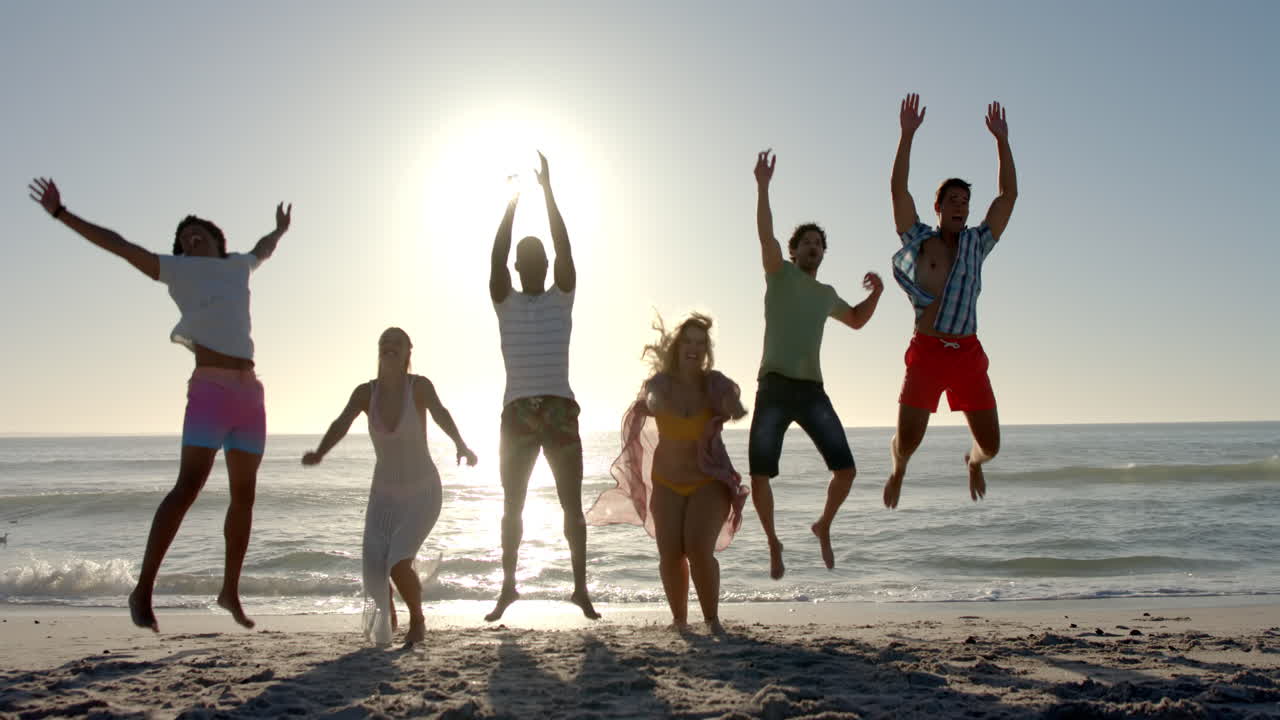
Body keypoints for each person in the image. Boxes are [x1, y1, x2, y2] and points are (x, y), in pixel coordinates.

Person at [28, 177, 290, 632]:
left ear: (216, 239)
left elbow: (263, 249)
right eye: (183, 238)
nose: (189, 239)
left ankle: (229, 591)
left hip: (250, 394)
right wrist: (61, 213)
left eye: (196, 233)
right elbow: (119, 245)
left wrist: (280, 230)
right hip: (210, 392)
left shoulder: (238, 265)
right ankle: (143, 589)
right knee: (187, 488)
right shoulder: (177, 270)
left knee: (244, 497)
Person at [750, 150, 884, 580]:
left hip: (810, 391)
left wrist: (877, 293)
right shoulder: (779, 274)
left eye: (818, 244)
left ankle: (823, 525)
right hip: (773, 387)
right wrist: (763, 186)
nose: (813, 246)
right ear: (793, 251)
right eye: (806, 242)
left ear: (823, 254)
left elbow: (857, 320)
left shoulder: (826, 294)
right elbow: (765, 236)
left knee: (846, 470)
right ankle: (773, 542)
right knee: (759, 474)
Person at [883, 94, 1018, 508]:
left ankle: (972, 462)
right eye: (953, 201)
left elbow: (1008, 196)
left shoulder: (978, 242)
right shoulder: (920, 240)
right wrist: (906, 135)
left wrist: (1002, 141)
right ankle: (898, 468)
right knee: (908, 440)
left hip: (967, 354)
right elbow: (898, 191)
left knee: (991, 446)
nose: (961, 206)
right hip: (927, 352)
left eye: (965, 202)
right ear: (938, 208)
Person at [302, 328, 476, 646]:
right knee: (374, 569)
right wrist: (320, 452)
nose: (389, 346)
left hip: (423, 492)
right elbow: (341, 423)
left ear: (408, 351)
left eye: (396, 342)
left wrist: (461, 445)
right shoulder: (365, 393)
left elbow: (440, 413)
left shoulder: (418, 387)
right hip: (383, 496)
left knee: (397, 562)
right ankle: (389, 607)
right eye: (384, 342)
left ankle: (418, 620)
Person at [485, 152, 598, 622]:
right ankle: (508, 587)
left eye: (540, 259)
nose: (532, 265)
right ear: (516, 267)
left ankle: (580, 589)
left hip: (558, 408)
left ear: (547, 265)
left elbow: (564, 247)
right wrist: (512, 202)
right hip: (517, 412)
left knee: (572, 505)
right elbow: (496, 256)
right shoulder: (505, 300)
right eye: (524, 261)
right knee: (513, 504)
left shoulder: (561, 297)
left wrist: (548, 192)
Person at [587, 314, 747, 633]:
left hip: (708, 480)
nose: (694, 348)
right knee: (671, 554)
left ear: (706, 350)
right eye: (687, 341)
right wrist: (652, 402)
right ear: (677, 347)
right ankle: (680, 622)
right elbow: (649, 400)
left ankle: (712, 621)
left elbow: (734, 403)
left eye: (700, 343)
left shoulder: (715, 383)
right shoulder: (660, 384)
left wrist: (733, 406)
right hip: (667, 482)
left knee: (698, 550)